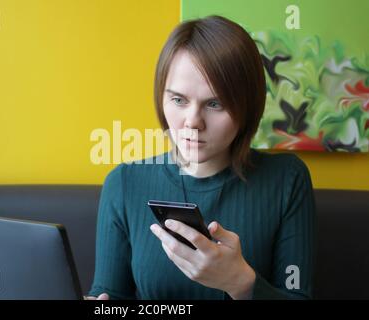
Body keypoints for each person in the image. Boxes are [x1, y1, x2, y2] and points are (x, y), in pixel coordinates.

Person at [85, 15, 316, 300]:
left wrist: (241, 282)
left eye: (215, 103)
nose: (192, 122)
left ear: (248, 107)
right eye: (178, 100)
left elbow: (298, 296)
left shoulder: (287, 179)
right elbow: (110, 294)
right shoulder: (123, 183)